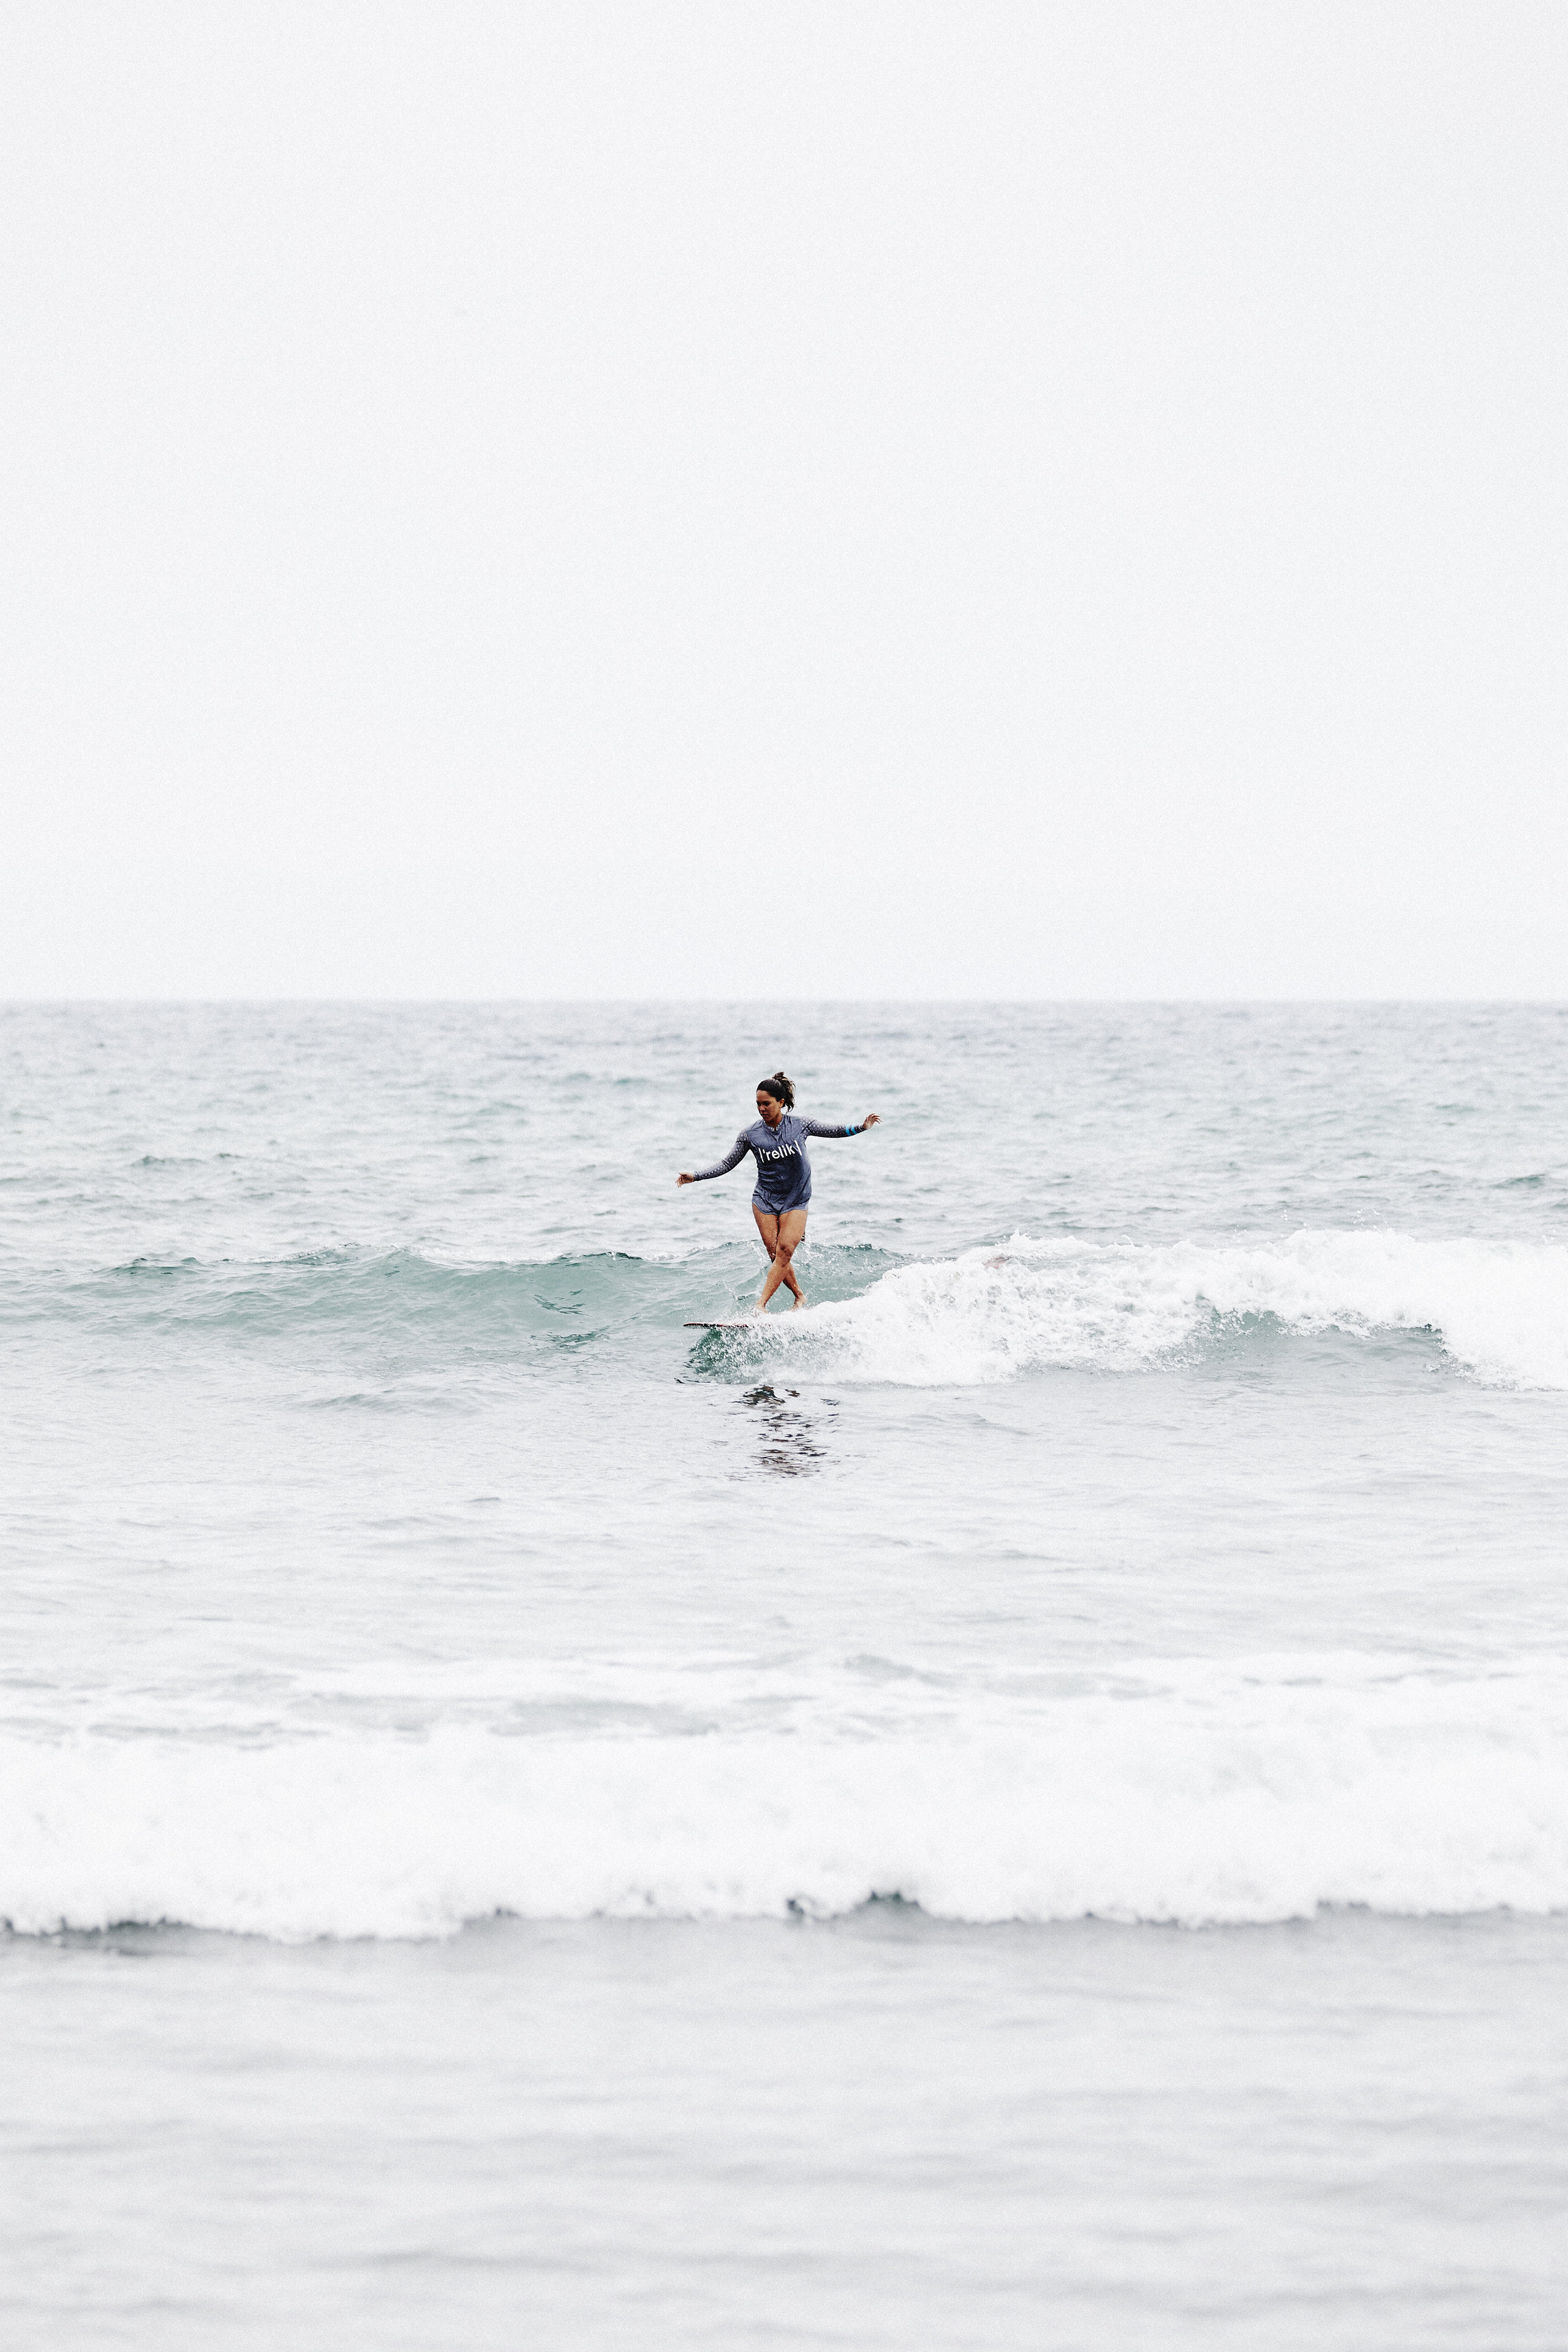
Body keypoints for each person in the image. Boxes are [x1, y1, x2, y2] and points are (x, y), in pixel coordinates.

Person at [677, 1073, 880, 1313]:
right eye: (758, 1104)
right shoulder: (750, 1135)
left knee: (785, 1251)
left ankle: (761, 1305)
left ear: (781, 1102)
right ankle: (800, 1297)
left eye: (767, 1104)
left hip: (796, 1199)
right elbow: (727, 1164)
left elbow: (833, 1130)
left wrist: (861, 1127)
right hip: (765, 1200)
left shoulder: (800, 1125)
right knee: (776, 1255)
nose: (762, 1109)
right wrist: (696, 1176)